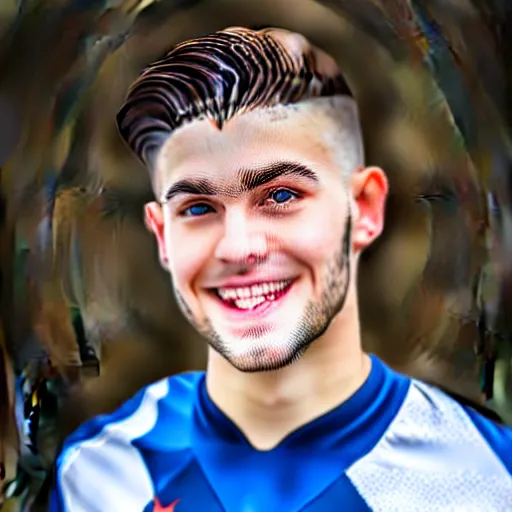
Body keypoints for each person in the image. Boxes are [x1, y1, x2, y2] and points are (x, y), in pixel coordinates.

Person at [50, 27, 512, 511]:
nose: (238, 248)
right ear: (163, 234)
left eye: (281, 196)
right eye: (198, 208)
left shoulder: (484, 480)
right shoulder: (100, 473)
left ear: (366, 208)